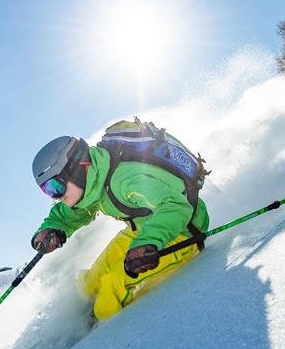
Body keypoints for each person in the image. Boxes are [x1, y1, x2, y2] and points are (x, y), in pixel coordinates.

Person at [29, 131, 209, 320]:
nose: (57, 196)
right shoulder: (94, 181)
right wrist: (53, 228)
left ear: (78, 168)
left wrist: (148, 242)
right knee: (89, 284)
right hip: (142, 231)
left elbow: (176, 207)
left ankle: (107, 333)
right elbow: (72, 212)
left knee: (112, 286)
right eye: (47, 191)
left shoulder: (125, 180)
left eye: (56, 187)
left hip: (181, 231)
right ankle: (82, 320)